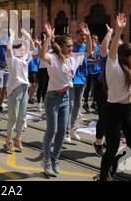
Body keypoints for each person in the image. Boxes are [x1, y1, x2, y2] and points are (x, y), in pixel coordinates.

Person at [39, 22, 92, 177]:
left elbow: (89, 51)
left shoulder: (73, 58)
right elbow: (42, 55)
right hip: (52, 98)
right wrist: (48, 38)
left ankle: (55, 159)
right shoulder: (53, 58)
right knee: (52, 130)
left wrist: (88, 36)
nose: (71, 48)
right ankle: (46, 160)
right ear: (61, 46)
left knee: (63, 131)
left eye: (71, 46)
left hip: (65, 97)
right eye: (68, 46)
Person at [97, 12, 131, 181]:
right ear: (125, 57)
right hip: (114, 111)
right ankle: (104, 177)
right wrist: (118, 31)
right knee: (111, 148)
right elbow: (112, 51)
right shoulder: (114, 66)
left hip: (129, 109)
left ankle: (116, 163)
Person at [5, 28, 34, 152]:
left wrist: (27, 35)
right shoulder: (13, 60)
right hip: (14, 89)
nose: (24, 50)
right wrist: (11, 36)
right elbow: (8, 48)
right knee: (13, 116)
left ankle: (18, 138)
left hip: (24, 88)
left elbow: (32, 48)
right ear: (16, 49)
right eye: (21, 48)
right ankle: (8, 139)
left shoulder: (24, 60)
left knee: (22, 116)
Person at [92, 24, 113, 157]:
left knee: (113, 118)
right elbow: (103, 49)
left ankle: (108, 142)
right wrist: (110, 33)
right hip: (102, 88)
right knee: (104, 117)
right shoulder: (107, 56)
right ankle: (98, 143)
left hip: (114, 90)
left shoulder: (122, 59)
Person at [67, 29, 88, 144]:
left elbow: (90, 52)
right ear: (77, 35)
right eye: (81, 35)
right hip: (72, 79)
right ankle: (66, 131)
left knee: (77, 105)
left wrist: (86, 79)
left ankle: (72, 127)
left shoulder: (85, 46)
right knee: (69, 105)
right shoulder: (72, 46)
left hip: (82, 79)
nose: (83, 37)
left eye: (85, 36)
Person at [36, 33, 49, 112]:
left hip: (47, 69)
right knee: (41, 86)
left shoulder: (49, 47)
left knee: (46, 86)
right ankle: (39, 102)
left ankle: (44, 101)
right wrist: (40, 44)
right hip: (41, 68)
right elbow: (40, 54)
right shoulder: (41, 46)